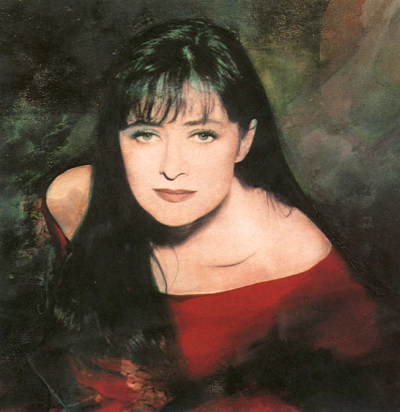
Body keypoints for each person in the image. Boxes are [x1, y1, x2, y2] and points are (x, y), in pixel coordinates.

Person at [39, 20, 382, 411]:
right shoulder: (74, 199)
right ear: (116, 141)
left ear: (244, 141)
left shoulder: (294, 253)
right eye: (145, 134)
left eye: (203, 135)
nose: (172, 168)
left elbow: (361, 385)